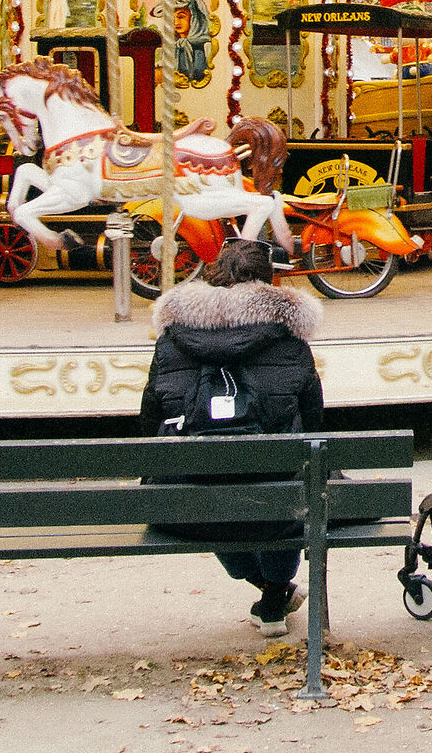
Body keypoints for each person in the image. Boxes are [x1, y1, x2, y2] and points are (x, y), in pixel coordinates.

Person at [137, 238, 324, 637]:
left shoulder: (171, 341)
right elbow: (314, 423)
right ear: (269, 285)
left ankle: (268, 589)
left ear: (214, 277)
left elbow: (149, 420)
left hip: (189, 511)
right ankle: (274, 591)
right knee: (292, 480)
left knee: (208, 479)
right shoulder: (291, 343)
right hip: (282, 507)